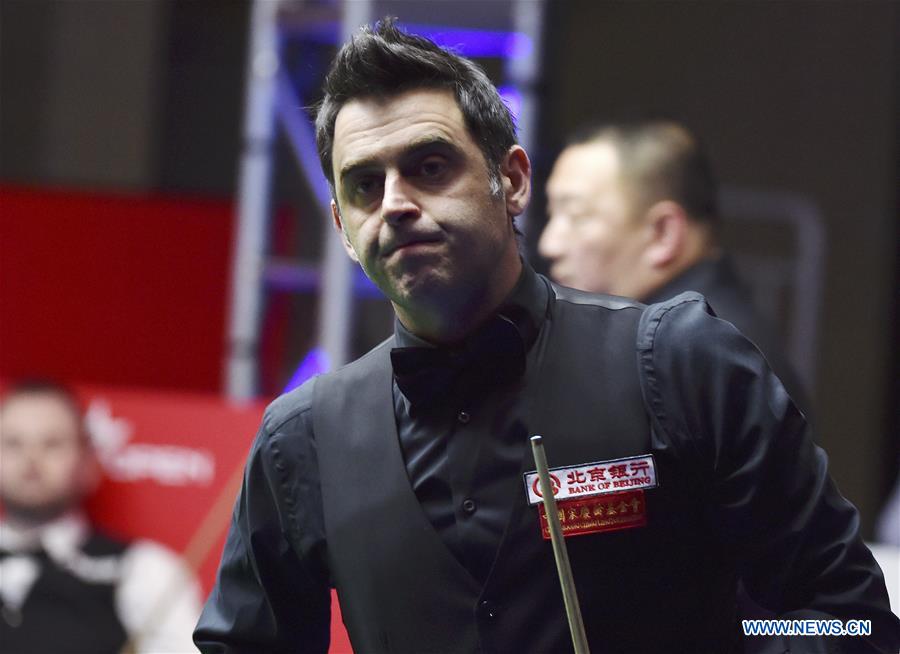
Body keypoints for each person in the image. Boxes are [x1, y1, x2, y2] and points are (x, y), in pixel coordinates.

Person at [195, 19, 899, 653]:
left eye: (430, 166)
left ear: (511, 180)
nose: (396, 203)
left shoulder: (682, 361)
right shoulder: (299, 442)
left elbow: (848, 620)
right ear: (344, 231)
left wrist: (734, 641)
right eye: (364, 186)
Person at [539, 120, 809, 413]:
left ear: (663, 233)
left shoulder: (689, 354)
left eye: (576, 215)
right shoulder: (714, 334)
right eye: (551, 214)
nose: (549, 245)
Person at [0, 379, 203, 653]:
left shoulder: (143, 570)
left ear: (88, 462)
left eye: (52, 444)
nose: (30, 458)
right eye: (13, 443)